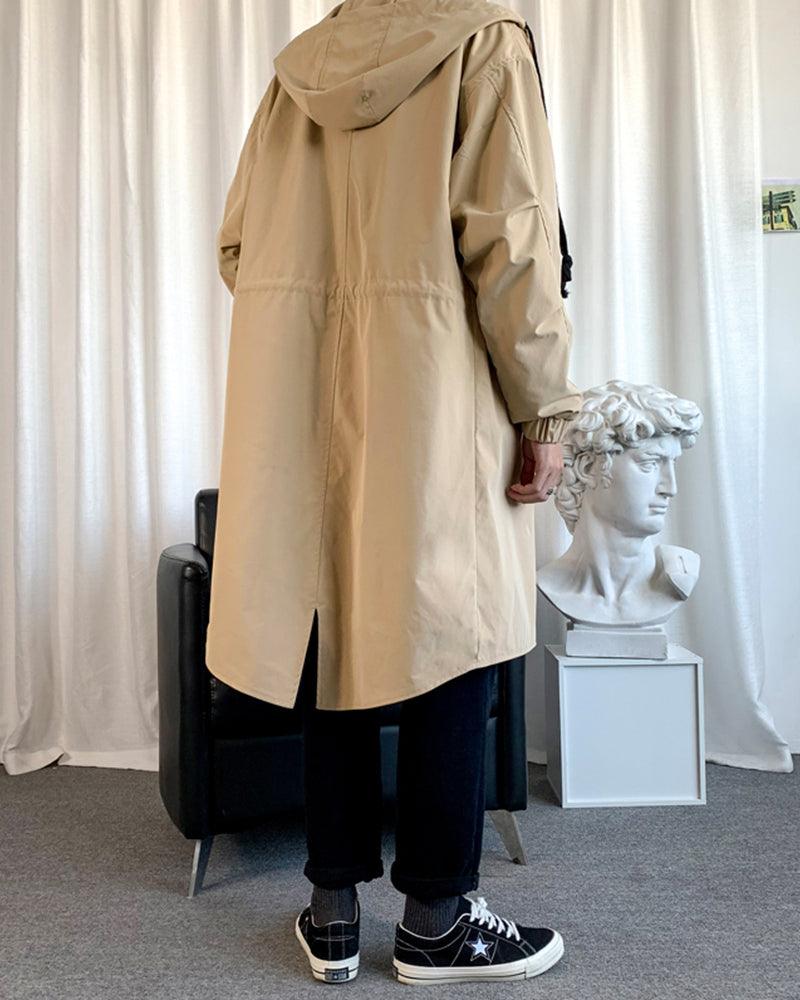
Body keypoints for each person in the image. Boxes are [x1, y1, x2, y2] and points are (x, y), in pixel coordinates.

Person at [207, 0, 583, 985]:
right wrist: (544, 412)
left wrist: (312, 317)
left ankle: (332, 912)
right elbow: (513, 250)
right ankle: (436, 921)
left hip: (298, 392)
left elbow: (237, 243)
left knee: (327, 625)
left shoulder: (300, 68)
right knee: (453, 633)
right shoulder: (483, 42)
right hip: (431, 387)